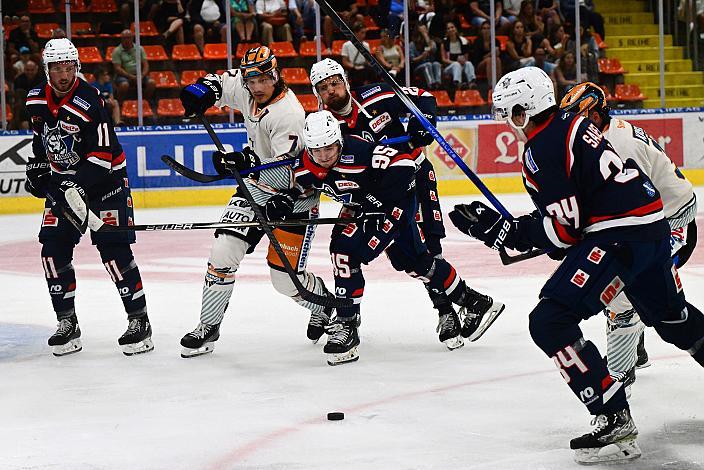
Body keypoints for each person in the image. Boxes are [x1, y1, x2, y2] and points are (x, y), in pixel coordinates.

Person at [449, 67, 704, 463]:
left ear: (524, 110)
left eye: (510, 112)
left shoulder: (541, 148)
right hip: (651, 231)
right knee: (672, 317)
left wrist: (503, 232)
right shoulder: (571, 122)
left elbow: (565, 233)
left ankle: (612, 415)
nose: (507, 121)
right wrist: (519, 230)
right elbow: (577, 217)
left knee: (549, 320)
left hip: (620, 238)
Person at [309, 58, 503, 350]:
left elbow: (423, 97)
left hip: (414, 176)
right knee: (382, 252)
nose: (331, 91)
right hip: (371, 196)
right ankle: (350, 316)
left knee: (428, 247)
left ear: (346, 81)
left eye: (335, 82)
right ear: (317, 94)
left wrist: (421, 124)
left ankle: (446, 311)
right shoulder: (324, 126)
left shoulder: (378, 94)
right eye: (323, 88)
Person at [177, 46, 333, 357]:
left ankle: (326, 306)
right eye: (252, 80)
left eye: (264, 79)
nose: (258, 86)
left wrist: (242, 161)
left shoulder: (288, 114)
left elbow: (285, 173)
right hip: (255, 188)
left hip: (294, 198)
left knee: (285, 282)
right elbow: (220, 82)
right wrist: (199, 92)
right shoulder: (246, 88)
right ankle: (208, 325)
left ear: (276, 75)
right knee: (223, 251)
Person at [560, 82, 698, 391]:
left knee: (618, 291)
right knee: (628, 278)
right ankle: (635, 345)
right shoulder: (606, 136)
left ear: (595, 115)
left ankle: (618, 380)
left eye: (577, 119)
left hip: (672, 221)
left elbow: (622, 209)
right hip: (655, 217)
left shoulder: (617, 146)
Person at [24, 38, 153, 357]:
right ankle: (67, 322)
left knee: (114, 252)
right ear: (47, 69)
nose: (64, 74)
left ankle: (140, 322)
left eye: (69, 67)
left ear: (76, 67)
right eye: (57, 68)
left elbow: (103, 154)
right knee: (52, 252)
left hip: (106, 183)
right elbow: (41, 141)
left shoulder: (90, 99)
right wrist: (39, 167)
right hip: (65, 185)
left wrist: (78, 186)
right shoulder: (35, 100)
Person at [111, 30, 157, 102]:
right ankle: (120, 103)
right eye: (124, 38)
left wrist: (142, 75)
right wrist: (131, 77)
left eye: (128, 38)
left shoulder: (140, 49)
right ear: (121, 39)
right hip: (124, 76)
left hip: (139, 75)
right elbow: (117, 68)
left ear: (132, 38)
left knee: (152, 83)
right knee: (124, 85)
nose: (127, 40)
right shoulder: (117, 51)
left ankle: (144, 102)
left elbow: (146, 65)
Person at [440, 22, 476, 89]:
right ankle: (458, 84)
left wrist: (463, 61)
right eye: (448, 28)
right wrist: (455, 63)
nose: (451, 29)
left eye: (452, 27)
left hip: (462, 65)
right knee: (456, 64)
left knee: (468, 63)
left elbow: (466, 58)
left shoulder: (463, 41)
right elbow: (443, 59)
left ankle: (472, 82)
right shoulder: (444, 42)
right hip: (449, 67)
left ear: (456, 29)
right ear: (447, 31)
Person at [409, 25, 442, 89]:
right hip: (418, 67)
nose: (424, 32)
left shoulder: (430, 41)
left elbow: (433, 49)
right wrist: (421, 56)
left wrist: (426, 36)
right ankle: (431, 85)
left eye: (425, 30)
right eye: (422, 31)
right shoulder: (412, 44)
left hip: (430, 65)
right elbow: (412, 60)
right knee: (428, 65)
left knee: (436, 64)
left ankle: (438, 84)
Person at [341, 22, 373, 88]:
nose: (364, 35)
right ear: (356, 32)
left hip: (364, 69)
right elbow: (345, 62)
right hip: (353, 69)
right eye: (362, 32)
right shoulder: (346, 45)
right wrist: (354, 67)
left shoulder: (366, 45)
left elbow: (368, 61)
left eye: (365, 33)